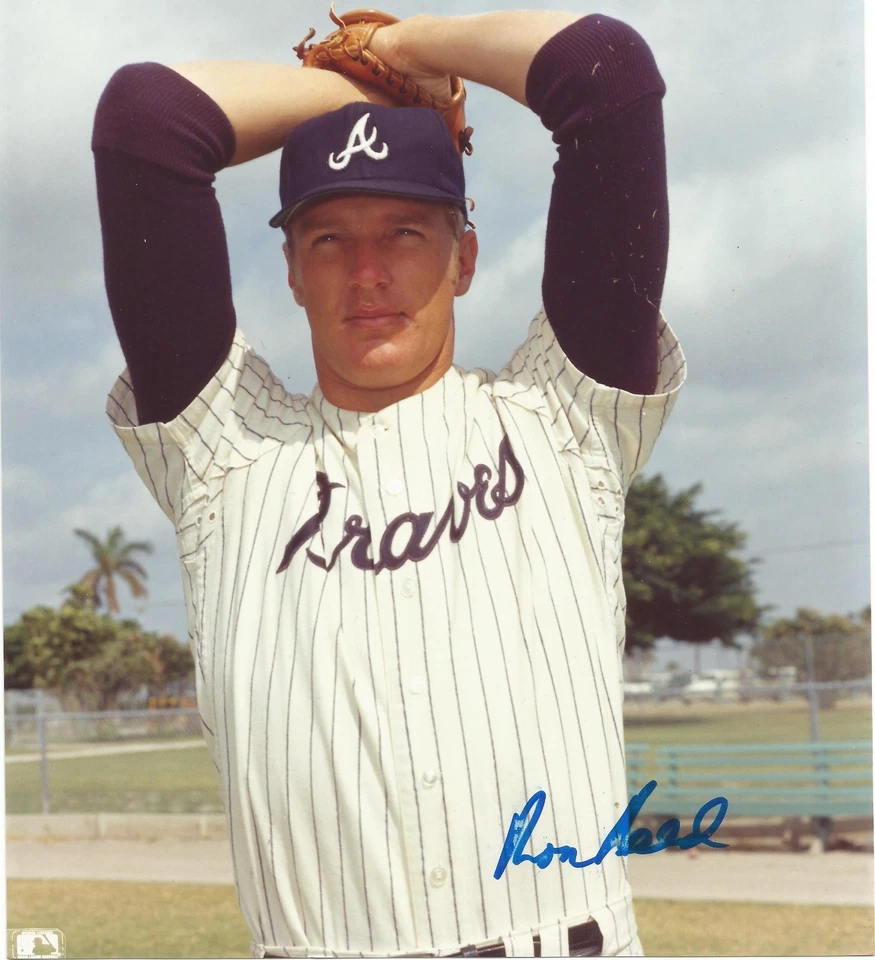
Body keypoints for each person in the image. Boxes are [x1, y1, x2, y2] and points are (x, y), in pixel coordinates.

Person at [92, 8, 685, 958]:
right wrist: (371, 93)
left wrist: (412, 50)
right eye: (328, 239)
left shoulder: (563, 417)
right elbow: (146, 123)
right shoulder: (225, 450)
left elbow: (604, 74)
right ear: (289, 269)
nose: (367, 273)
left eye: (405, 231)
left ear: (464, 258)